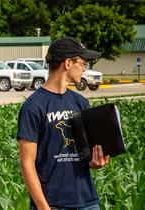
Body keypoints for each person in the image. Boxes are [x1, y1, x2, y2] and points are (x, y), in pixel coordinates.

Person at [17, 37, 110, 210]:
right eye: (83, 63)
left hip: (87, 201)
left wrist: (95, 162)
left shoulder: (81, 103)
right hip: (53, 204)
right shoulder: (33, 106)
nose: (84, 68)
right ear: (68, 63)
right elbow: (26, 163)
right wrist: (43, 207)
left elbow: (83, 154)